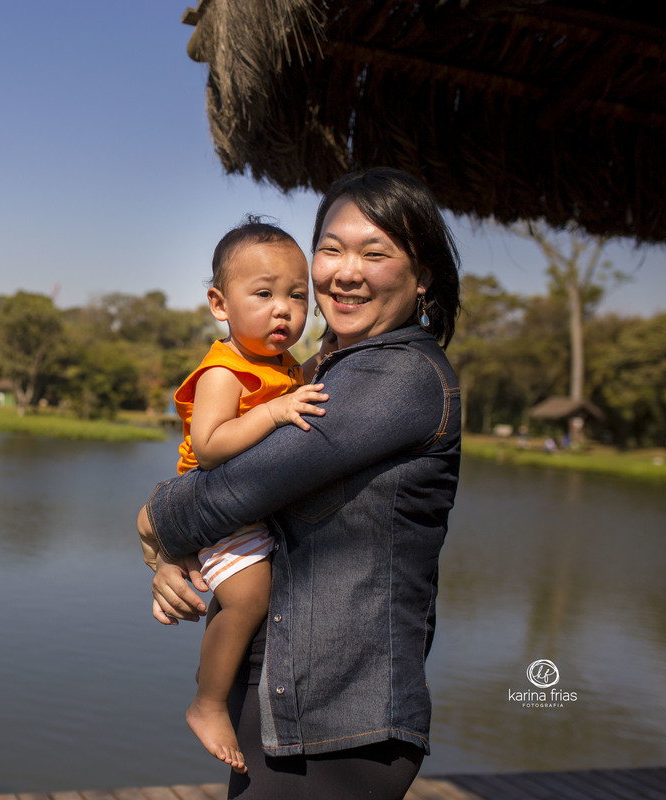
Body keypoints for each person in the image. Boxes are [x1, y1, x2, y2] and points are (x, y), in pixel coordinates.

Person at [138, 167, 462, 800]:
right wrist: (176, 550)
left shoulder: (396, 378)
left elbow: (236, 490)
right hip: (288, 695)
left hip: (342, 719)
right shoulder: (314, 370)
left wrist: (152, 525)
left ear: (421, 275)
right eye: (332, 248)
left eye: (376, 252)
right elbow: (224, 481)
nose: (346, 271)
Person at [165, 218, 329, 773]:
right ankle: (207, 703)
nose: (283, 309)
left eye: (297, 296)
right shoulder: (223, 371)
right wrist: (276, 410)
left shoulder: (277, 364)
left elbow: (292, 385)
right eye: (263, 294)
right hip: (215, 509)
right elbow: (209, 447)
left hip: (244, 509)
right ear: (220, 303)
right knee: (248, 597)